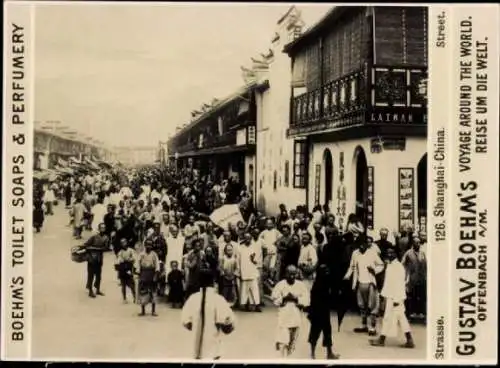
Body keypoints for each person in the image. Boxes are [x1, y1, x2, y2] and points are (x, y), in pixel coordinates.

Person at [181, 267, 236, 360]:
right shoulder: (218, 299)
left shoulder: (193, 298)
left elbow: (185, 322)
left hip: (195, 350)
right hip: (213, 349)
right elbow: (228, 323)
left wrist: (197, 327)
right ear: (213, 282)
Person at [370, 247, 415, 348]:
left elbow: (399, 284)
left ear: (395, 254)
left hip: (396, 297)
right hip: (391, 296)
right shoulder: (390, 265)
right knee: (400, 318)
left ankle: (382, 340)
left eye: (391, 253)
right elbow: (388, 282)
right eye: (388, 253)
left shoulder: (398, 267)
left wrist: (397, 300)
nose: (389, 254)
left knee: (388, 318)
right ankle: (409, 340)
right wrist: (384, 295)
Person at [343, 235, 384, 336]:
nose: (362, 246)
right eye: (360, 244)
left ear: (367, 244)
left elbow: (381, 265)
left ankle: (372, 327)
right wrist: (347, 276)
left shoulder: (372, 253)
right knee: (362, 305)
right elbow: (352, 267)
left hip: (370, 282)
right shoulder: (355, 253)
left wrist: (374, 270)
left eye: (364, 244)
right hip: (360, 282)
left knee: (372, 305)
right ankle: (364, 325)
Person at [271, 265, 310, 358]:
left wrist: (296, 299)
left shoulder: (301, 285)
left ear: (296, 274)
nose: (292, 276)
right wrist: (284, 298)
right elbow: (274, 299)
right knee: (283, 342)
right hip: (284, 319)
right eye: (289, 274)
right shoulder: (280, 285)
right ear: (285, 274)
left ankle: (288, 356)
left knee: (292, 345)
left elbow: (307, 300)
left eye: (294, 274)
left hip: (296, 319)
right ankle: (282, 359)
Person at [307, 264, 340, 360]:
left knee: (327, 332)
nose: (327, 273)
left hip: (324, 311)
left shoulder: (325, 283)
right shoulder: (317, 286)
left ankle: (329, 353)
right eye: (325, 271)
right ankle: (312, 354)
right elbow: (312, 302)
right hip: (317, 312)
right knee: (315, 332)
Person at [402, 236, 427, 319]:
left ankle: (420, 313)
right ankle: (410, 313)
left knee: (421, 296)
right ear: (413, 243)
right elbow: (402, 264)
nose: (418, 244)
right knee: (411, 296)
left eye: (419, 242)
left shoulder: (422, 253)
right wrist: (406, 274)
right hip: (412, 278)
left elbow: (426, 264)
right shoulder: (408, 253)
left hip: (422, 278)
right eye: (416, 242)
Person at [83, 223, 109, 298]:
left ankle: (97, 289)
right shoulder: (94, 237)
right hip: (91, 258)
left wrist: (95, 248)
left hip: (99, 258)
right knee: (91, 274)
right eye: (101, 228)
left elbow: (106, 248)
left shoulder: (106, 238)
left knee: (98, 275)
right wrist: (93, 249)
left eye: (104, 228)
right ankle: (90, 290)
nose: (103, 229)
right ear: (99, 228)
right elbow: (86, 245)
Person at [238, 233, 262, 312]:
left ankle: (257, 304)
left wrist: (253, 260)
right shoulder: (240, 248)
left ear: (251, 238)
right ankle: (244, 305)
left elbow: (257, 260)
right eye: (246, 238)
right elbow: (238, 260)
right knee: (244, 289)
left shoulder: (255, 247)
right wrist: (239, 271)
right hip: (244, 271)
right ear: (244, 238)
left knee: (254, 289)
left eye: (249, 238)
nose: (247, 239)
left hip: (252, 271)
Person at [136, 239, 160, 316]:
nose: (148, 246)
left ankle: (153, 310)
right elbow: (138, 264)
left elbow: (157, 266)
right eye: (147, 245)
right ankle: (143, 310)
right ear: (145, 245)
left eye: (150, 245)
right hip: (143, 273)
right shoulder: (141, 254)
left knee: (153, 292)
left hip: (152, 273)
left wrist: (155, 275)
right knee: (143, 292)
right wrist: (139, 274)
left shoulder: (154, 254)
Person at [116, 238, 136, 303]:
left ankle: (135, 297)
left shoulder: (131, 250)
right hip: (122, 270)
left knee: (132, 284)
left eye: (124, 242)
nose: (123, 244)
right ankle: (124, 298)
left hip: (129, 268)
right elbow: (119, 260)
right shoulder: (120, 252)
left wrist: (128, 259)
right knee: (123, 285)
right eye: (122, 243)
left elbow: (134, 258)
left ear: (127, 243)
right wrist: (123, 260)